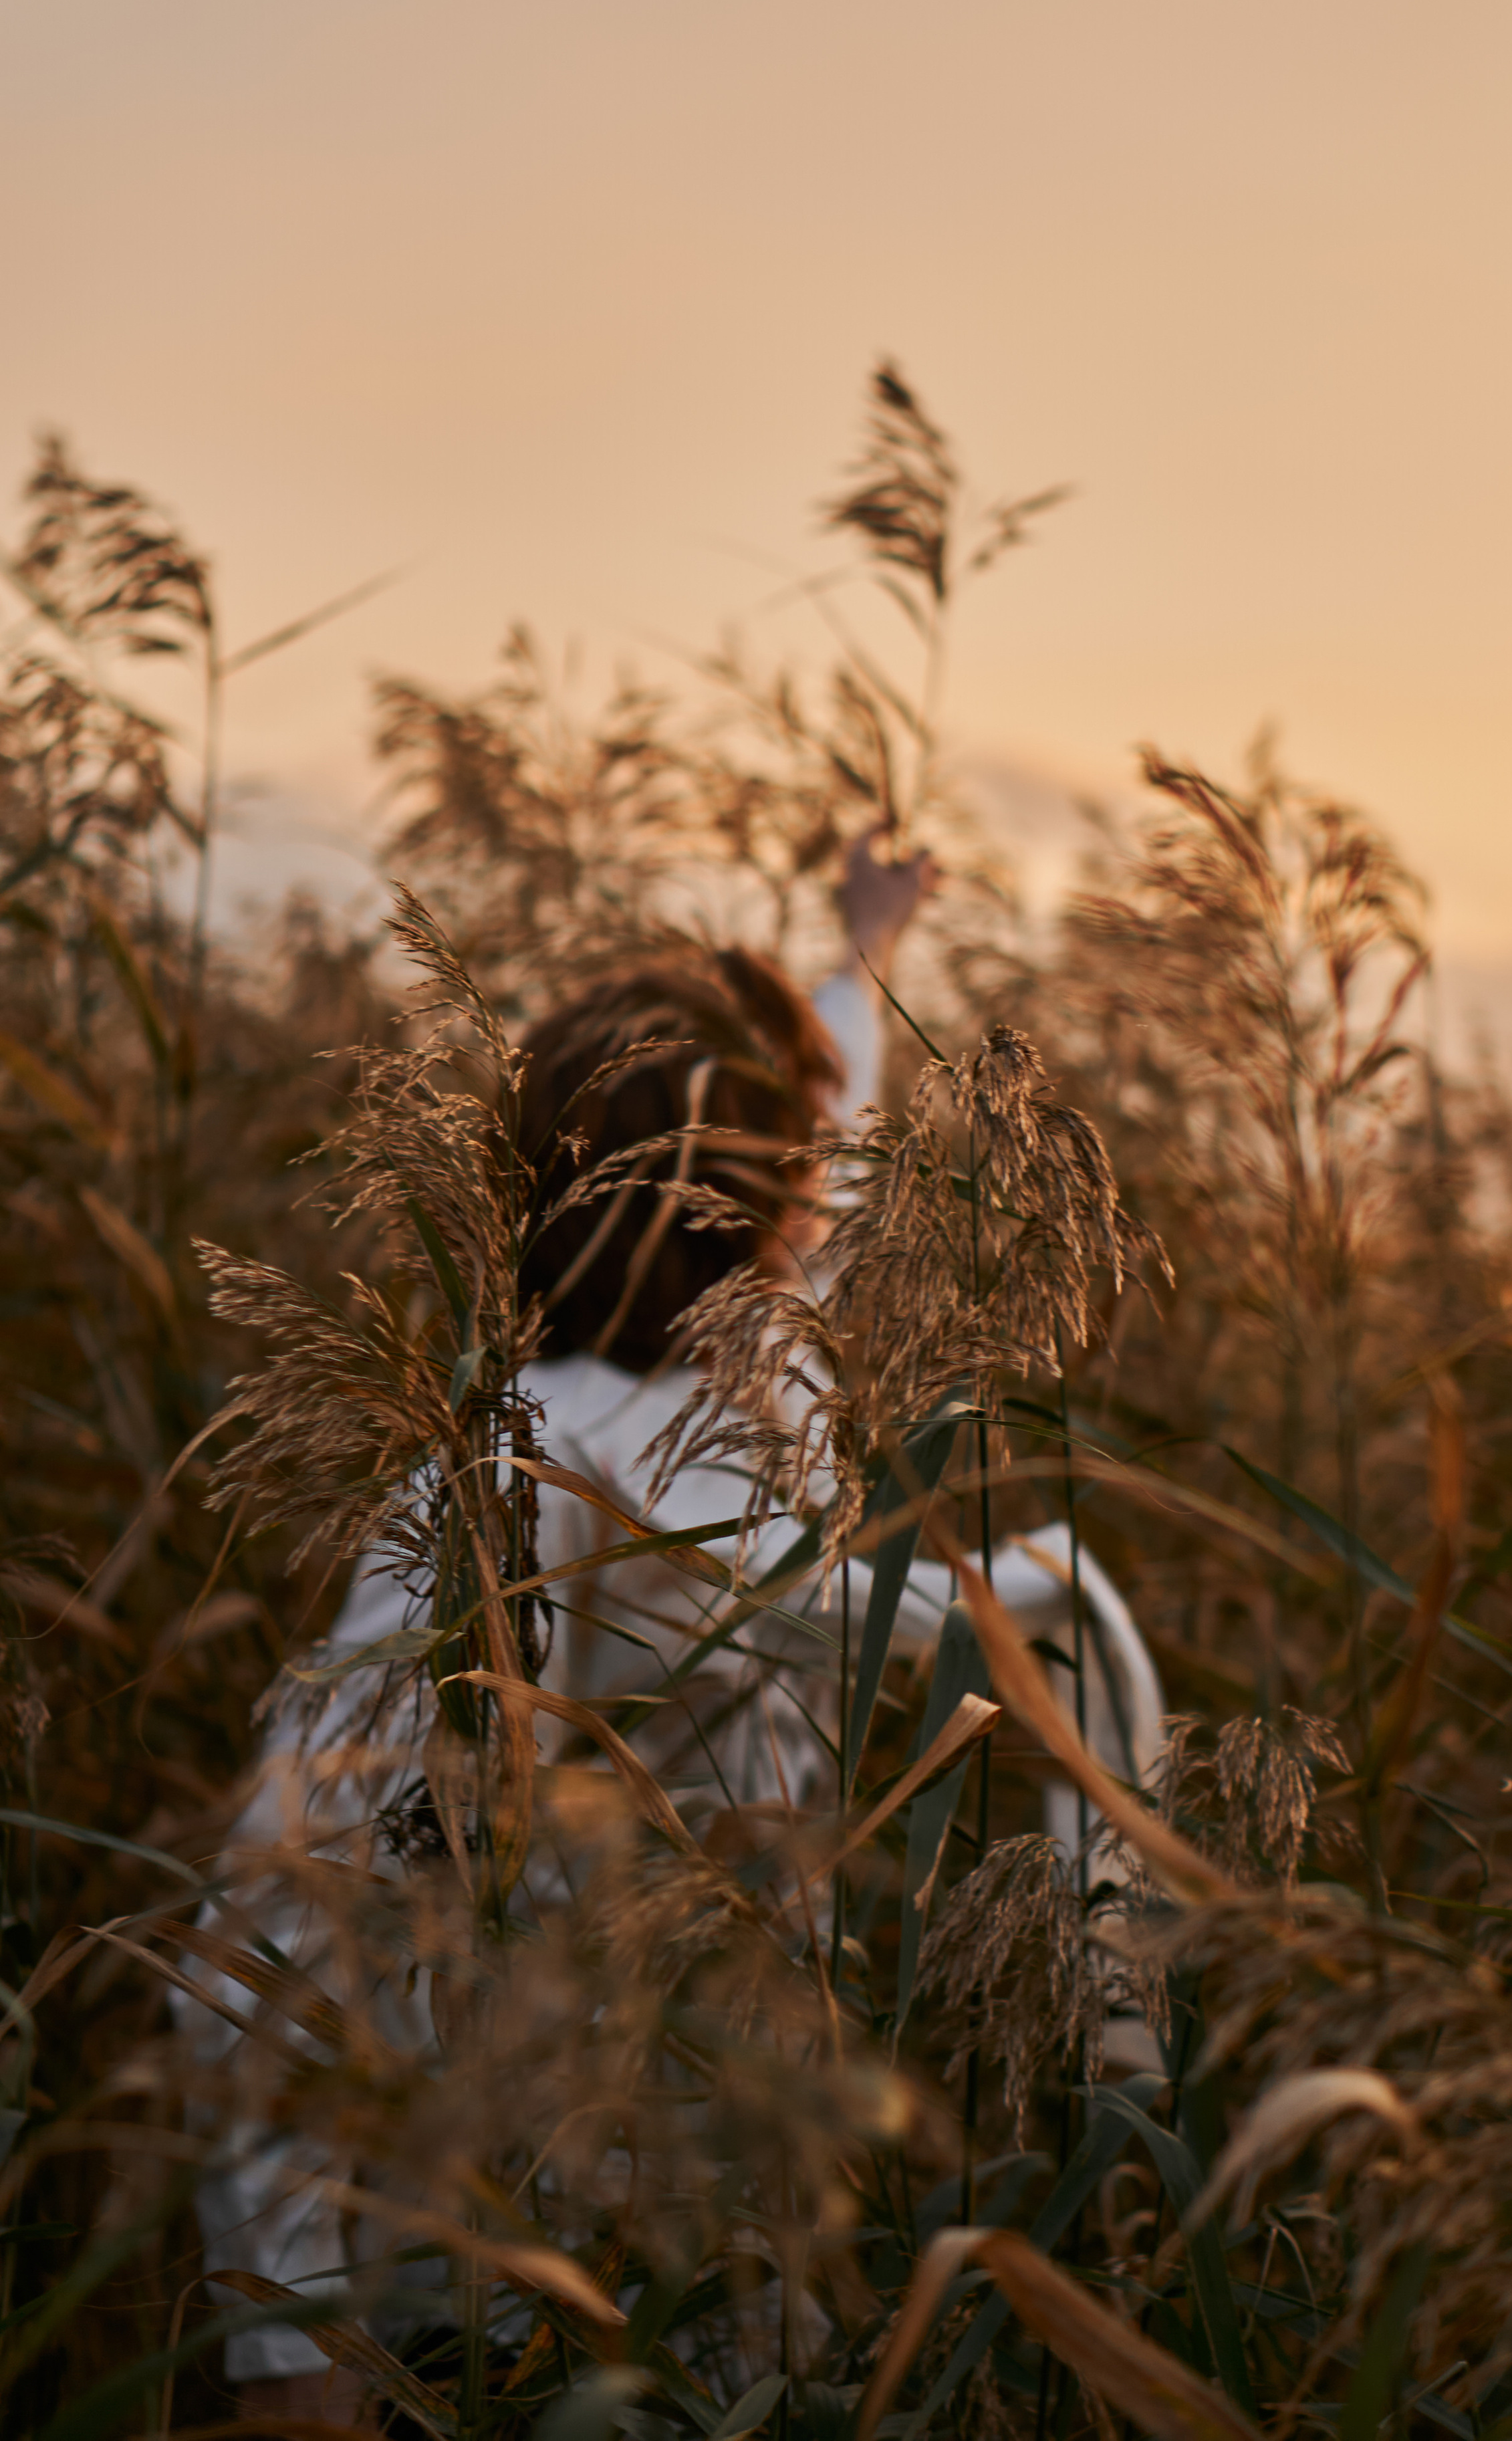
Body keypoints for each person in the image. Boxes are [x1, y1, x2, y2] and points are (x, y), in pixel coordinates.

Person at [185, 831, 1164, 2428]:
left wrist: (858, 958)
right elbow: (269, 1921)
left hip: (732, 2220)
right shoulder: (529, 1465)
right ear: (754, 1205)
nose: (819, 1201)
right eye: (795, 1166)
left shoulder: (748, 1378)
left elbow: (791, 1175)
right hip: (513, 2276)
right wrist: (288, 2355)